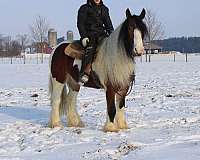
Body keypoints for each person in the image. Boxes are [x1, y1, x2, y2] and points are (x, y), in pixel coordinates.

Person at [77, 0, 114, 84]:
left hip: (102, 34)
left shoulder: (104, 9)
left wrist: (112, 35)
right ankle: (84, 72)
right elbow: (80, 24)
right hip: (90, 35)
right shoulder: (84, 8)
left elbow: (108, 24)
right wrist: (84, 37)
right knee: (91, 48)